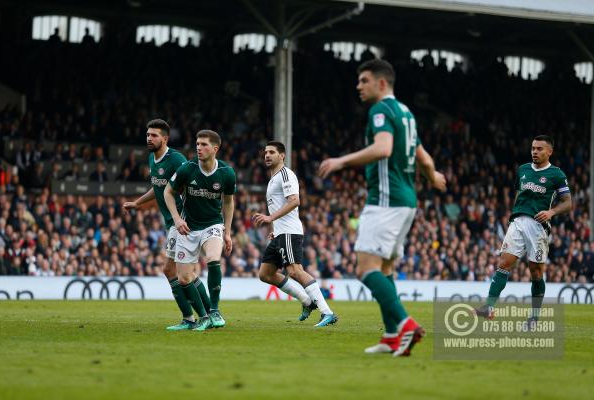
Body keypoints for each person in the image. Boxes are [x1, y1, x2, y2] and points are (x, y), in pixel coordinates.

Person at [319, 59, 446, 356]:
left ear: (381, 83)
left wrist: (341, 160)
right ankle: (392, 337)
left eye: (364, 80)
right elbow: (424, 157)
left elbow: (383, 148)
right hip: (407, 200)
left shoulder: (380, 110)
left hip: (386, 201)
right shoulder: (406, 113)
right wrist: (433, 176)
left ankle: (405, 324)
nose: (358, 86)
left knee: (365, 269)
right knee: (385, 269)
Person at [474, 135, 571, 328]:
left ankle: (534, 318)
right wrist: (515, 213)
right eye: (533, 148)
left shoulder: (556, 174)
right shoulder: (523, 170)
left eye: (539, 149)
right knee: (503, 262)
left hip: (538, 226)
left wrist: (551, 212)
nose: (535, 151)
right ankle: (489, 307)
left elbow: (568, 203)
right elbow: (518, 194)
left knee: (535, 272)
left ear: (549, 152)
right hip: (518, 221)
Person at [123, 119, 210, 331]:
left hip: (181, 221)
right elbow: (159, 187)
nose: (149, 138)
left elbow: (191, 182)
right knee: (182, 272)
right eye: (148, 135)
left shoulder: (176, 159)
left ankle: (194, 318)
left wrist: (186, 217)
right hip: (171, 221)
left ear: (165, 138)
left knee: (172, 270)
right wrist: (137, 203)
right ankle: (210, 314)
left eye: (154, 135)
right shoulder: (153, 159)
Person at [253, 141, 338, 327]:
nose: (267, 155)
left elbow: (294, 201)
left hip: (290, 232)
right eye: (266, 152)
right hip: (280, 233)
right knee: (266, 273)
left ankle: (327, 312)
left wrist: (270, 218)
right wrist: (275, 228)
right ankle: (307, 301)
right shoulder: (273, 177)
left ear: (282, 155)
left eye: (272, 152)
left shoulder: (286, 174)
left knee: (295, 271)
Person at [164, 130, 235, 331]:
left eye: (203, 144)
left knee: (213, 258)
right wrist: (177, 219)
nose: (198, 147)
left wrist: (227, 232)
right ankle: (202, 317)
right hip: (188, 227)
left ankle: (214, 311)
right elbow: (168, 192)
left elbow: (228, 203)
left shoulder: (226, 173)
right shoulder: (187, 169)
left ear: (215, 148)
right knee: (184, 277)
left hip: (213, 224)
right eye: (197, 143)